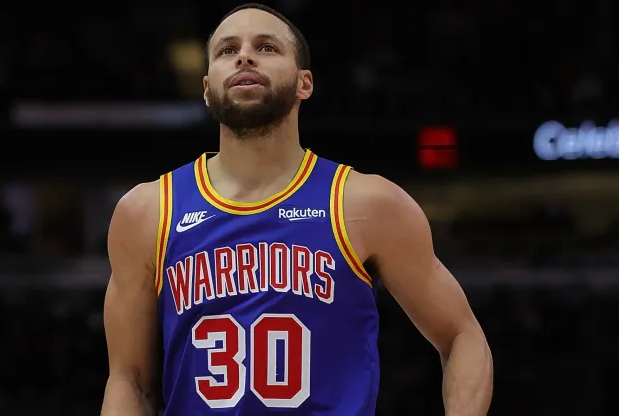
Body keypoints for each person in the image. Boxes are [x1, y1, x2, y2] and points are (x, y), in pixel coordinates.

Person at [101, 3, 493, 415]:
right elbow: (129, 381)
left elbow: (462, 336)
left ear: (305, 83)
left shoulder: (364, 203)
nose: (244, 56)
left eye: (267, 47)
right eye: (226, 50)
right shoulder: (148, 211)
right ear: (206, 87)